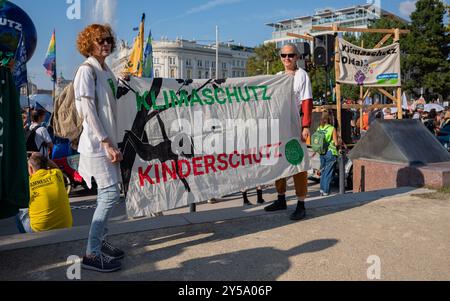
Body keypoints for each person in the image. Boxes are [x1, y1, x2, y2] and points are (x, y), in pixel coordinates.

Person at [74, 24, 124, 273]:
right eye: (99, 40)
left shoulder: (106, 71)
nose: (105, 44)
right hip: (96, 145)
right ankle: (92, 252)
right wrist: (105, 141)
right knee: (109, 195)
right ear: (89, 44)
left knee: (111, 194)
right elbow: (88, 111)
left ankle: (100, 243)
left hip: (107, 143)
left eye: (108, 40)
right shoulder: (87, 70)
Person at [264, 43, 313, 221]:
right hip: (279, 125)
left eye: (291, 55)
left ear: (297, 57)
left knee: (297, 160)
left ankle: (301, 203)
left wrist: (306, 125)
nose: (287, 59)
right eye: (283, 55)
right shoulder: (277, 77)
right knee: (279, 160)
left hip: (295, 123)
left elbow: (307, 100)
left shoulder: (302, 75)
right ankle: (281, 197)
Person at [16, 152, 73, 233]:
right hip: (65, 225)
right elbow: (54, 166)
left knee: (20, 210)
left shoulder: (27, 182)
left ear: (31, 168)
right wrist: (42, 157)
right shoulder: (56, 174)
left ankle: (26, 239)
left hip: (38, 230)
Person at [317, 111, 339, 196]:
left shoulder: (319, 128)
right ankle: (326, 191)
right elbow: (336, 143)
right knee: (328, 172)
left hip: (322, 151)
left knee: (323, 171)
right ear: (329, 118)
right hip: (330, 152)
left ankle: (322, 190)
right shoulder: (332, 128)